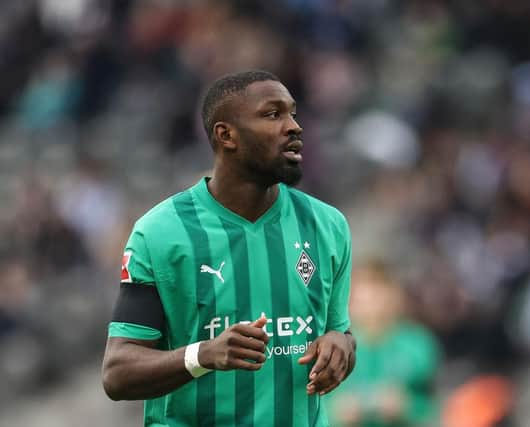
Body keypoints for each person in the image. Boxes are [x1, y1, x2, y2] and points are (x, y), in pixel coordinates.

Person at [101, 70, 356, 427]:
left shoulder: (327, 226)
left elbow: (338, 332)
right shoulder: (161, 233)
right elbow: (118, 372)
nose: (294, 126)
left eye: (293, 113)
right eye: (273, 114)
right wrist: (203, 355)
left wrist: (343, 346)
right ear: (226, 135)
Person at [326, 260, 441, 427]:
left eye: (377, 295)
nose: (371, 305)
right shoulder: (333, 347)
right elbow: (315, 407)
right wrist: (336, 413)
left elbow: (435, 407)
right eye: (363, 297)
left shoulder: (418, 345)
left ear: (394, 296)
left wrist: (407, 407)